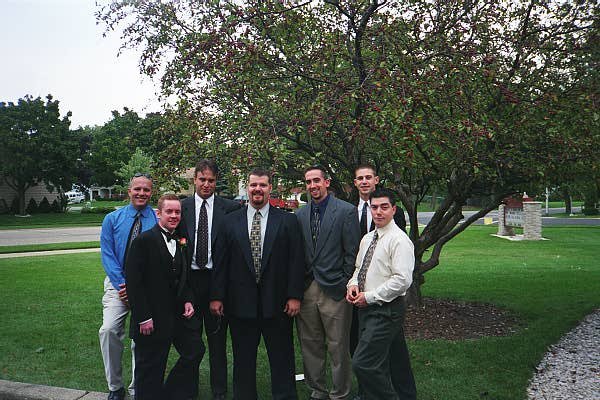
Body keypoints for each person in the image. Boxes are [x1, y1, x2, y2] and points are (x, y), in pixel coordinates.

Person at [210, 168, 304, 400]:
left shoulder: (288, 221)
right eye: (253, 185)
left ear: (270, 188)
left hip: (278, 304)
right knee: (243, 362)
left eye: (262, 185)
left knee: (282, 359)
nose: (257, 189)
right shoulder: (229, 222)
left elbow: (296, 261)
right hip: (240, 305)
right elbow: (220, 263)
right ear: (247, 187)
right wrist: (217, 296)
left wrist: (294, 296)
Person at [126, 194, 204, 400]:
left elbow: (184, 276)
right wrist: (143, 317)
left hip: (177, 316)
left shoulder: (181, 240)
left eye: (177, 212)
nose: (174, 215)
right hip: (151, 318)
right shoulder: (143, 241)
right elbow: (134, 283)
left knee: (195, 350)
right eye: (169, 211)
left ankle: (170, 393)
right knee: (150, 370)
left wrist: (188, 299)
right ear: (158, 213)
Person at [296, 165, 360, 400]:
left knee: (338, 345)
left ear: (327, 182)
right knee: (310, 344)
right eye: (308, 182)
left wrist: (344, 281)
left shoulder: (346, 211)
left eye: (316, 181)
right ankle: (318, 391)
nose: (312, 186)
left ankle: (340, 392)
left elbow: (352, 252)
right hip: (307, 289)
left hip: (335, 289)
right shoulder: (300, 215)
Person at [346, 189, 417, 400]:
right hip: (366, 309)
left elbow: (402, 280)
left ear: (393, 210)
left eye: (384, 207)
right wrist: (353, 286)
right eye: (374, 207)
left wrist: (369, 296)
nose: (378, 212)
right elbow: (359, 269)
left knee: (363, 363)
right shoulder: (367, 239)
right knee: (388, 361)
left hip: (386, 310)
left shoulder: (399, 240)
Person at [180, 159, 241, 400]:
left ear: (217, 182)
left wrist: (220, 294)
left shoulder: (231, 208)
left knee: (217, 344)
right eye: (202, 179)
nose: (206, 184)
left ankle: (219, 391)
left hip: (219, 283)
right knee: (191, 345)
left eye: (211, 180)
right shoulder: (181, 207)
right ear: (194, 179)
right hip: (190, 284)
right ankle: (189, 390)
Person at [99, 173, 157, 400]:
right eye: (137, 189)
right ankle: (115, 387)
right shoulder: (112, 219)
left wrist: (139, 288)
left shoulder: (157, 218)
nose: (142, 193)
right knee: (109, 330)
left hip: (148, 288)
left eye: (146, 190)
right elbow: (107, 255)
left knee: (141, 337)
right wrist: (125, 285)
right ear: (129, 190)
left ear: (152, 192)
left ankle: (137, 388)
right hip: (118, 285)